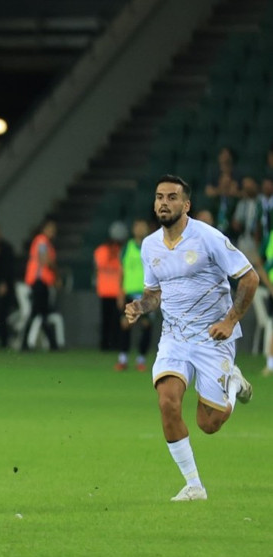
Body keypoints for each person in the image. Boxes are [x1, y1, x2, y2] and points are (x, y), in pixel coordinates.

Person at [124, 174, 257, 502]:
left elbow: (250, 278)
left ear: (186, 205)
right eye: (159, 197)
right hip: (174, 337)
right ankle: (194, 485)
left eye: (172, 197)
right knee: (167, 402)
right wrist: (140, 306)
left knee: (209, 424)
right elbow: (154, 294)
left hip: (213, 337)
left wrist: (230, 321)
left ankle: (233, 384)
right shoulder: (150, 245)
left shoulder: (207, 237)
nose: (163, 203)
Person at [116, 218, 153, 371]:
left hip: (146, 294)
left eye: (143, 227)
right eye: (138, 227)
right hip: (129, 293)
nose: (140, 230)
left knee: (146, 325)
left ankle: (141, 359)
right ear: (133, 229)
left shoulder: (152, 247)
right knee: (126, 324)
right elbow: (121, 271)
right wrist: (120, 292)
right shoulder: (127, 247)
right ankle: (123, 358)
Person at [22, 217, 60, 350]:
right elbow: (45, 260)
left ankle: (51, 344)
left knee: (40, 313)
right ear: (44, 229)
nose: (53, 232)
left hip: (42, 282)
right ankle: (51, 344)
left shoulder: (45, 242)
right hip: (39, 281)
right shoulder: (42, 241)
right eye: (50, 229)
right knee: (39, 313)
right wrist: (57, 273)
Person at [93, 221, 126, 351]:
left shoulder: (101, 251)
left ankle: (106, 344)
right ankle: (112, 344)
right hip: (114, 291)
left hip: (108, 291)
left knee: (108, 320)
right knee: (113, 321)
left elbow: (97, 268)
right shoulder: (121, 252)